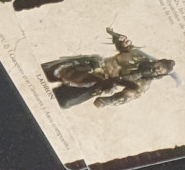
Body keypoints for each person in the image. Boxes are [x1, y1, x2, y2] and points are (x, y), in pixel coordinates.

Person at [42, 28, 177, 109]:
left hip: (101, 82)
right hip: (93, 65)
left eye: (159, 72)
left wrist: (107, 101)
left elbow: (128, 96)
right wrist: (119, 38)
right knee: (47, 71)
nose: (156, 70)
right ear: (157, 61)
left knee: (64, 101)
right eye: (158, 67)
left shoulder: (144, 83)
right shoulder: (137, 54)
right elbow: (123, 46)